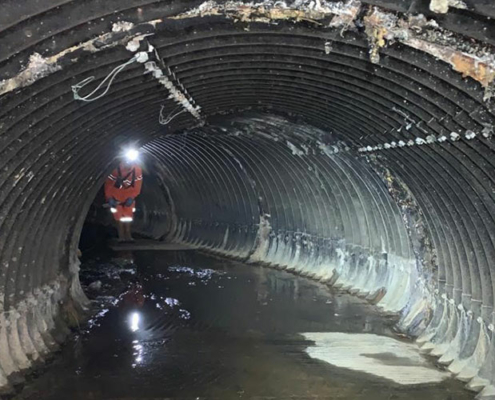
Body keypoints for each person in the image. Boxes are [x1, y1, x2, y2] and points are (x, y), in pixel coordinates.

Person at [104, 151, 143, 242]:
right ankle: (121, 236)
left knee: (128, 217)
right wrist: (109, 197)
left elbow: (138, 185)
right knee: (118, 217)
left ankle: (128, 236)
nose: (128, 165)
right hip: (116, 196)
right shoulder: (115, 170)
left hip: (128, 196)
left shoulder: (137, 170)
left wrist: (132, 197)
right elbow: (108, 184)